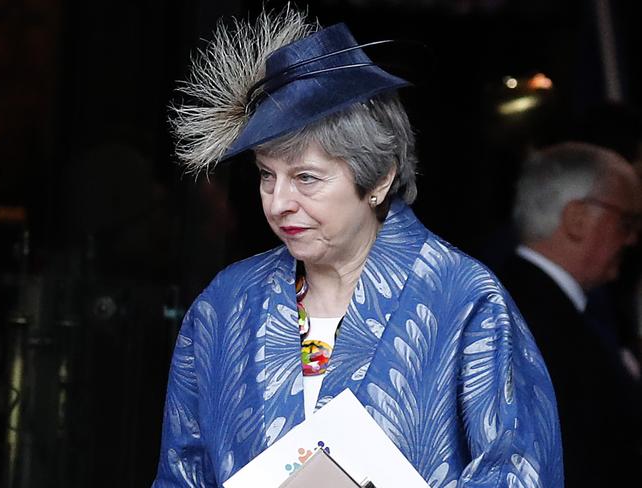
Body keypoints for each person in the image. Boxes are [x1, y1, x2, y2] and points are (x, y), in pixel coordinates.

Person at [152, 7, 562, 487]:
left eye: (306, 178)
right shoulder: (228, 302)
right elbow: (182, 471)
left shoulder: (464, 298)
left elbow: (519, 472)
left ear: (379, 178)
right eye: (267, 175)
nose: (279, 202)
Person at [496, 141, 642, 487]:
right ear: (577, 219)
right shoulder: (535, 323)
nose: (633, 239)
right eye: (626, 222)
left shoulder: (524, 302)